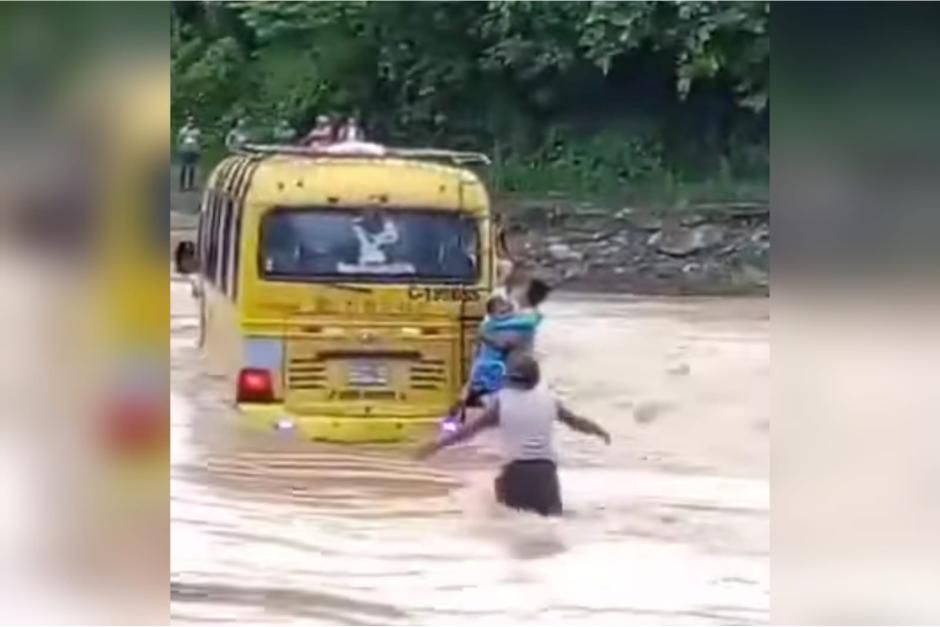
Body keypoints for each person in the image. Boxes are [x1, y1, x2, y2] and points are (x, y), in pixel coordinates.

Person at [417, 354, 610, 517]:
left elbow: (470, 430)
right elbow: (576, 422)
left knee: (512, 524)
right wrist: (599, 431)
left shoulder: (503, 401)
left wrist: (438, 445)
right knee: (551, 523)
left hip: (516, 472)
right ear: (536, 379)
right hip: (546, 473)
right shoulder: (550, 401)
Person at [176, 116, 201, 191]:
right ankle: (182, 185)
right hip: (185, 150)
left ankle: (191, 185)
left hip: (193, 151)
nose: (191, 123)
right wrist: (180, 148)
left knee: (192, 168)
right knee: (183, 168)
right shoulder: (183, 130)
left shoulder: (197, 131)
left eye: (192, 121)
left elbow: (200, 140)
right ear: (187, 122)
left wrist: (198, 150)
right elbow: (179, 139)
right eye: (189, 121)